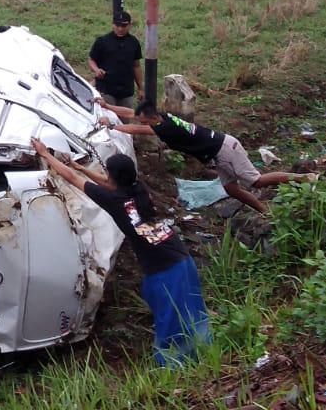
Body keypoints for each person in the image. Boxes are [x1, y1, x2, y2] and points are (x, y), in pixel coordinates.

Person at [31, 138, 210, 366]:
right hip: (180, 257)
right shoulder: (138, 189)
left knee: (170, 320)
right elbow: (105, 182)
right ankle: (204, 354)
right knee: (191, 311)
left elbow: (74, 180)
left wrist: (46, 155)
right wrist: (79, 166)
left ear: (115, 178)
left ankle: (176, 368)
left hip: (164, 270)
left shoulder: (114, 201)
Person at [102, 100, 317, 214]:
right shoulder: (162, 116)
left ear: (152, 118)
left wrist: (112, 125)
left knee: (256, 181)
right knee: (231, 189)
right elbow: (131, 113)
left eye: (144, 120)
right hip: (218, 152)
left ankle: (305, 178)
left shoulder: (165, 128)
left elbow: (137, 129)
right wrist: (107, 106)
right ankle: (265, 211)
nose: (142, 123)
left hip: (225, 149)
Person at [88, 11, 144, 109]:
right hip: (106, 89)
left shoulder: (133, 42)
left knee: (124, 121)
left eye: (123, 26)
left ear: (130, 25)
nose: (120, 29)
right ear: (113, 25)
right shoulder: (102, 41)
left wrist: (140, 88)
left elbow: (136, 65)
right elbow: (91, 60)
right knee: (108, 119)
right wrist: (96, 70)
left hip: (126, 91)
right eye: (117, 25)